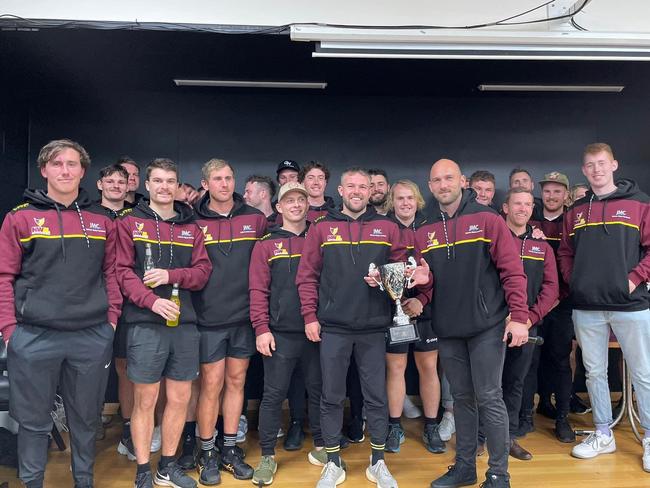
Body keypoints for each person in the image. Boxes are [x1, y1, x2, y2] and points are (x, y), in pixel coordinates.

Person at [297, 167, 429, 488]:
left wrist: (389, 279)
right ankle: (333, 462)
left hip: (373, 327)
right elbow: (307, 276)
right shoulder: (321, 227)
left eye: (363, 187)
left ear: (371, 191)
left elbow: (400, 269)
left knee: (376, 398)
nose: (357, 191)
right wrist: (310, 317)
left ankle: (378, 462)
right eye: (351, 186)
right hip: (333, 327)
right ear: (340, 190)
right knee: (331, 396)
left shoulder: (387, 226)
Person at [0, 139, 122, 488]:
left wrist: (110, 322)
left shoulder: (102, 221)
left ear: (83, 171)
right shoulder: (20, 218)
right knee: (34, 422)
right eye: (57, 163)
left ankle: (84, 482)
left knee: (85, 421)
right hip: (33, 337)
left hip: (91, 336)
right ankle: (32, 482)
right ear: (44, 170)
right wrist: (10, 330)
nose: (65, 170)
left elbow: (111, 274)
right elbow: (4, 277)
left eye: (72, 164)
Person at [415, 159, 529, 488]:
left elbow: (511, 270)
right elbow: (432, 283)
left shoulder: (488, 218)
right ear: (431, 185)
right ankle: (464, 467)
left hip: (486, 326)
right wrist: (422, 284)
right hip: (448, 329)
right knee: (462, 400)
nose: (443, 184)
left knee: (489, 397)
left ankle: (498, 475)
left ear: (462, 181)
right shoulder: (424, 228)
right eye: (436, 179)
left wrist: (519, 318)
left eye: (449, 178)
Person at [116, 158, 212, 488]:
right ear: (147, 185)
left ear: (177, 185)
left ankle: (166, 467)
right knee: (146, 400)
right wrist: (152, 301)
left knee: (180, 398)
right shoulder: (130, 223)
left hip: (184, 325)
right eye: (158, 180)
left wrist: (172, 276)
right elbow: (122, 273)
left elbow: (202, 273)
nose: (164, 186)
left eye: (170, 181)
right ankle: (144, 469)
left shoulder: (191, 227)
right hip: (144, 323)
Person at [558, 143, 650, 471]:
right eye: (590, 165)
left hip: (631, 304)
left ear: (614, 164)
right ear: (583, 171)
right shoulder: (576, 212)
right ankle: (602, 433)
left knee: (643, 373)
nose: (596, 170)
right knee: (595, 372)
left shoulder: (639, 204)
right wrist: (575, 281)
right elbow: (565, 252)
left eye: (602, 163)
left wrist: (633, 280)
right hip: (586, 306)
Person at [193, 159, 267, 482]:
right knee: (212, 384)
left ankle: (229, 448)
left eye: (229, 178)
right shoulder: (193, 220)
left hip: (244, 318)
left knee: (237, 382)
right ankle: (206, 450)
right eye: (217, 179)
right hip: (208, 317)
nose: (224, 184)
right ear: (205, 184)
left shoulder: (255, 218)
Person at [249, 182, 326, 485]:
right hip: (280, 333)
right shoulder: (266, 244)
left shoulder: (321, 239)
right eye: (289, 201)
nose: (296, 205)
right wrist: (261, 328)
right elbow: (258, 290)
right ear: (278, 207)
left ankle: (322, 447)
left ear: (308, 205)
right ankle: (267, 456)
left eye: (300, 200)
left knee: (320, 392)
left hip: (316, 331)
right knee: (273, 396)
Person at [496, 188, 559, 460]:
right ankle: (479, 438)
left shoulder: (541, 246)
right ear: (505, 208)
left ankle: (508, 438)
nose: (522, 209)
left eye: (527, 205)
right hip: (493, 326)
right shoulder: (492, 241)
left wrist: (528, 319)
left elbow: (551, 289)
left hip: (526, 327)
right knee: (486, 385)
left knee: (515, 383)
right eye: (517, 204)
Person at [383, 179, 445, 455]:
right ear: (391, 202)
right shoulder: (383, 230)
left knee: (428, 367)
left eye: (410, 198)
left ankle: (431, 426)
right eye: (399, 199)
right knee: (395, 368)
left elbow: (441, 272)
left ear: (418, 200)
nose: (405, 203)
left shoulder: (431, 228)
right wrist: (399, 301)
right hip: (392, 311)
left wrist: (421, 299)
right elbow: (377, 272)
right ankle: (394, 425)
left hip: (427, 309)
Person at [524, 171, 576, 443]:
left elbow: (573, 264)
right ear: (540, 193)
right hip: (533, 304)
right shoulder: (529, 221)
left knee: (559, 360)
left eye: (557, 191)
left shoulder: (573, 222)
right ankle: (532, 411)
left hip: (561, 304)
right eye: (547, 191)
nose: (552, 196)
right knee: (530, 361)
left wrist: (558, 296)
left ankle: (562, 418)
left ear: (566, 195)